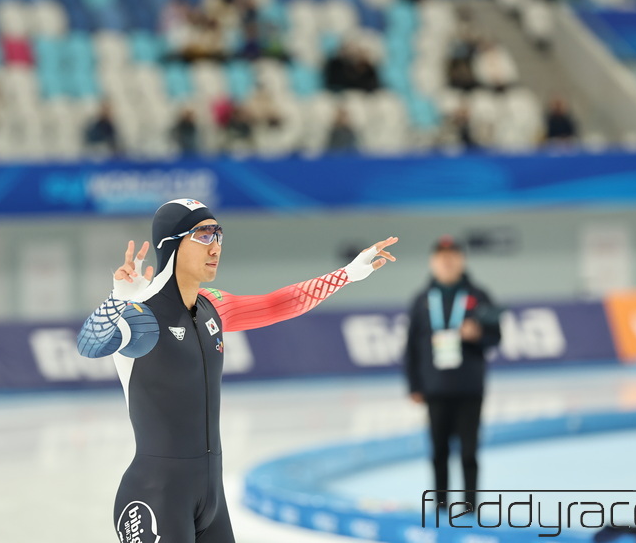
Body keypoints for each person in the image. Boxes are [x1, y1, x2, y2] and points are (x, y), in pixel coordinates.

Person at [77, 198, 398, 543]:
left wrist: (347, 274)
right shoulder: (141, 315)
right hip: (156, 496)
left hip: (210, 499)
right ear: (171, 244)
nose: (215, 246)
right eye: (203, 235)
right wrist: (117, 299)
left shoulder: (212, 306)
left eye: (218, 235)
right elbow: (89, 344)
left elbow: (276, 304)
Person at [404, 236, 502, 512]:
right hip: (435, 388)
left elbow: (496, 337)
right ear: (432, 262)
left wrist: (478, 335)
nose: (447, 261)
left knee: (469, 452)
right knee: (439, 452)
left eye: (452, 256)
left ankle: (470, 508)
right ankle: (440, 506)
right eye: (441, 257)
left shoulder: (479, 296)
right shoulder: (422, 300)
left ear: (462, 260)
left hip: (469, 387)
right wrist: (414, 385)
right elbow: (411, 347)